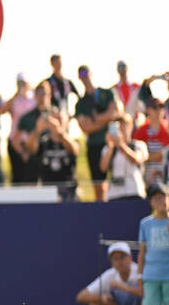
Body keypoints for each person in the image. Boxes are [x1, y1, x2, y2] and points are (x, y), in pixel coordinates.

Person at [20, 82, 77, 201]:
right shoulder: (44, 142)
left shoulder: (68, 141)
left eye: (58, 118)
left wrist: (59, 131)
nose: (54, 120)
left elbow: (74, 150)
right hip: (48, 193)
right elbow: (30, 147)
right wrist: (37, 131)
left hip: (68, 192)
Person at [74, 65, 120, 202]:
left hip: (113, 142)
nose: (85, 76)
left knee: (117, 179)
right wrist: (106, 118)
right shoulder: (81, 103)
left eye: (86, 72)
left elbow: (115, 112)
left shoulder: (107, 93)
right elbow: (86, 128)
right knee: (98, 185)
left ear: (91, 73)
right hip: (94, 145)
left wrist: (95, 118)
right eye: (81, 74)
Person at [100, 114, 147, 200]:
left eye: (123, 126)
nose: (121, 130)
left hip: (134, 191)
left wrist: (120, 145)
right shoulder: (108, 148)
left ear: (131, 126)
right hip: (114, 194)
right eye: (118, 127)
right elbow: (103, 168)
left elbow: (136, 159)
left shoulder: (138, 145)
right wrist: (111, 146)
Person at [134, 97, 169, 187]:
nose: (158, 110)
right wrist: (155, 156)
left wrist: (147, 157)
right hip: (145, 177)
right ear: (148, 110)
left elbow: (167, 153)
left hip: (165, 175)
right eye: (155, 107)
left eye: (161, 107)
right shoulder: (141, 131)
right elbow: (137, 154)